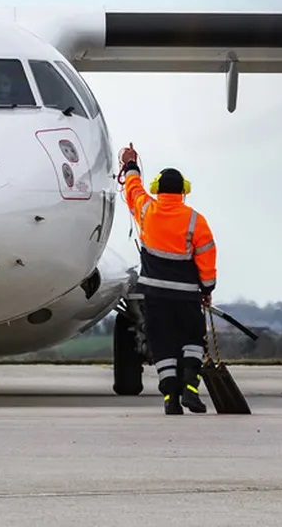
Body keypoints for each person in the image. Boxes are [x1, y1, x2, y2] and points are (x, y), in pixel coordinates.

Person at [118, 143, 217, 415]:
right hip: (186, 296)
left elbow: (132, 189)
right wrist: (207, 289)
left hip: (155, 296)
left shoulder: (146, 211)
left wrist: (130, 165)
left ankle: (170, 399)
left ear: (157, 188)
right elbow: (207, 257)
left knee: (163, 345)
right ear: (183, 190)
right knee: (193, 341)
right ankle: (191, 388)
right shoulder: (196, 221)